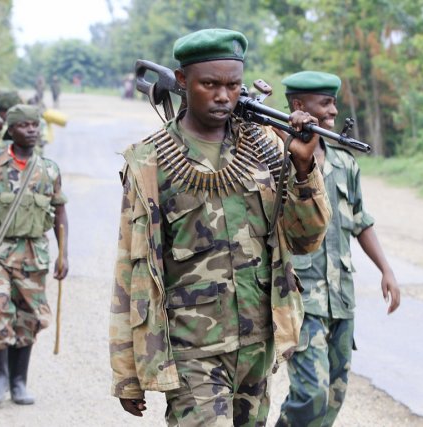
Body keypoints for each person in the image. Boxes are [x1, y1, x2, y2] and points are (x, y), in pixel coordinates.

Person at [109, 29, 332, 426]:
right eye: (209, 84)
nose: (223, 96)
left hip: (257, 343)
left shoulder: (266, 147)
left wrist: (302, 168)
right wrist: (127, 371)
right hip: (190, 348)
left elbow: (306, 240)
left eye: (232, 85)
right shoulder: (150, 163)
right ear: (181, 82)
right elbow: (131, 268)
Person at [276, 71, 401, 427]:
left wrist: (386, 270)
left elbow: (361, 220)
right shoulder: (279, 159)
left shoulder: (346, 163)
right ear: (299, 106)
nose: (333, 110)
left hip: (340, 297)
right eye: (325, 103)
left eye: (333, 102)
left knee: (334, 394)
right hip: (302, 298)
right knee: (310, 393)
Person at [0, 104, 69, 405]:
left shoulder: (49, 169)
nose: (32, 130)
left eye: (35, 125)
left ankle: (18, 382)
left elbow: (60, 212)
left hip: (33, 254)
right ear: (10, 130)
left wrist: (63, 254)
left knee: (28, 318)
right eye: (24, 125)